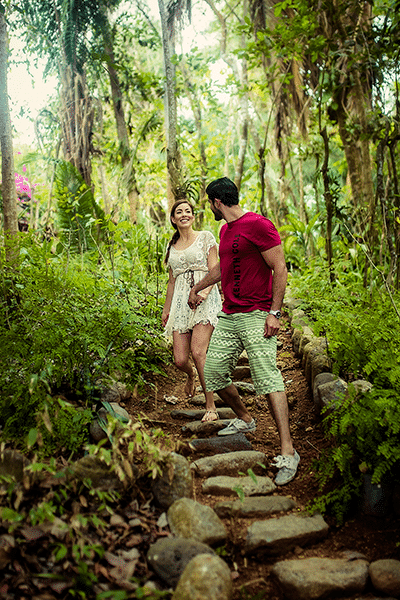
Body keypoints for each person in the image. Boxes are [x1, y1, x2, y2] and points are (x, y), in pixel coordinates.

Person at [188, 177, 300, 485]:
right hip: (229, 315)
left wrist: (274, 313)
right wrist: (197, 287)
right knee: (212, 374)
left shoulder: (259, 225)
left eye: (209, 202)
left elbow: (280, 267)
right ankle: (246, 420)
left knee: (267, 378)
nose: (209, 206)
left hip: (257, 313)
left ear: (217, 202)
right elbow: (223, 267)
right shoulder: (225, 230)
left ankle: (288, 450)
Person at [162, 198, 222, 422]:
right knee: (179, 359)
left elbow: (215, 269)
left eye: (188, 211)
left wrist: (204, 293)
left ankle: (211, 405)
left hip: (205, 297)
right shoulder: (172, 247)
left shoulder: (205, 237)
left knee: (198, 352)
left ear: (193, 216)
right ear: (173, 219)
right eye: (179, 212)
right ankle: (191, 375)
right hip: (180, 303)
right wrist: (167, 310)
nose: (184, 214)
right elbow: (171, 282)